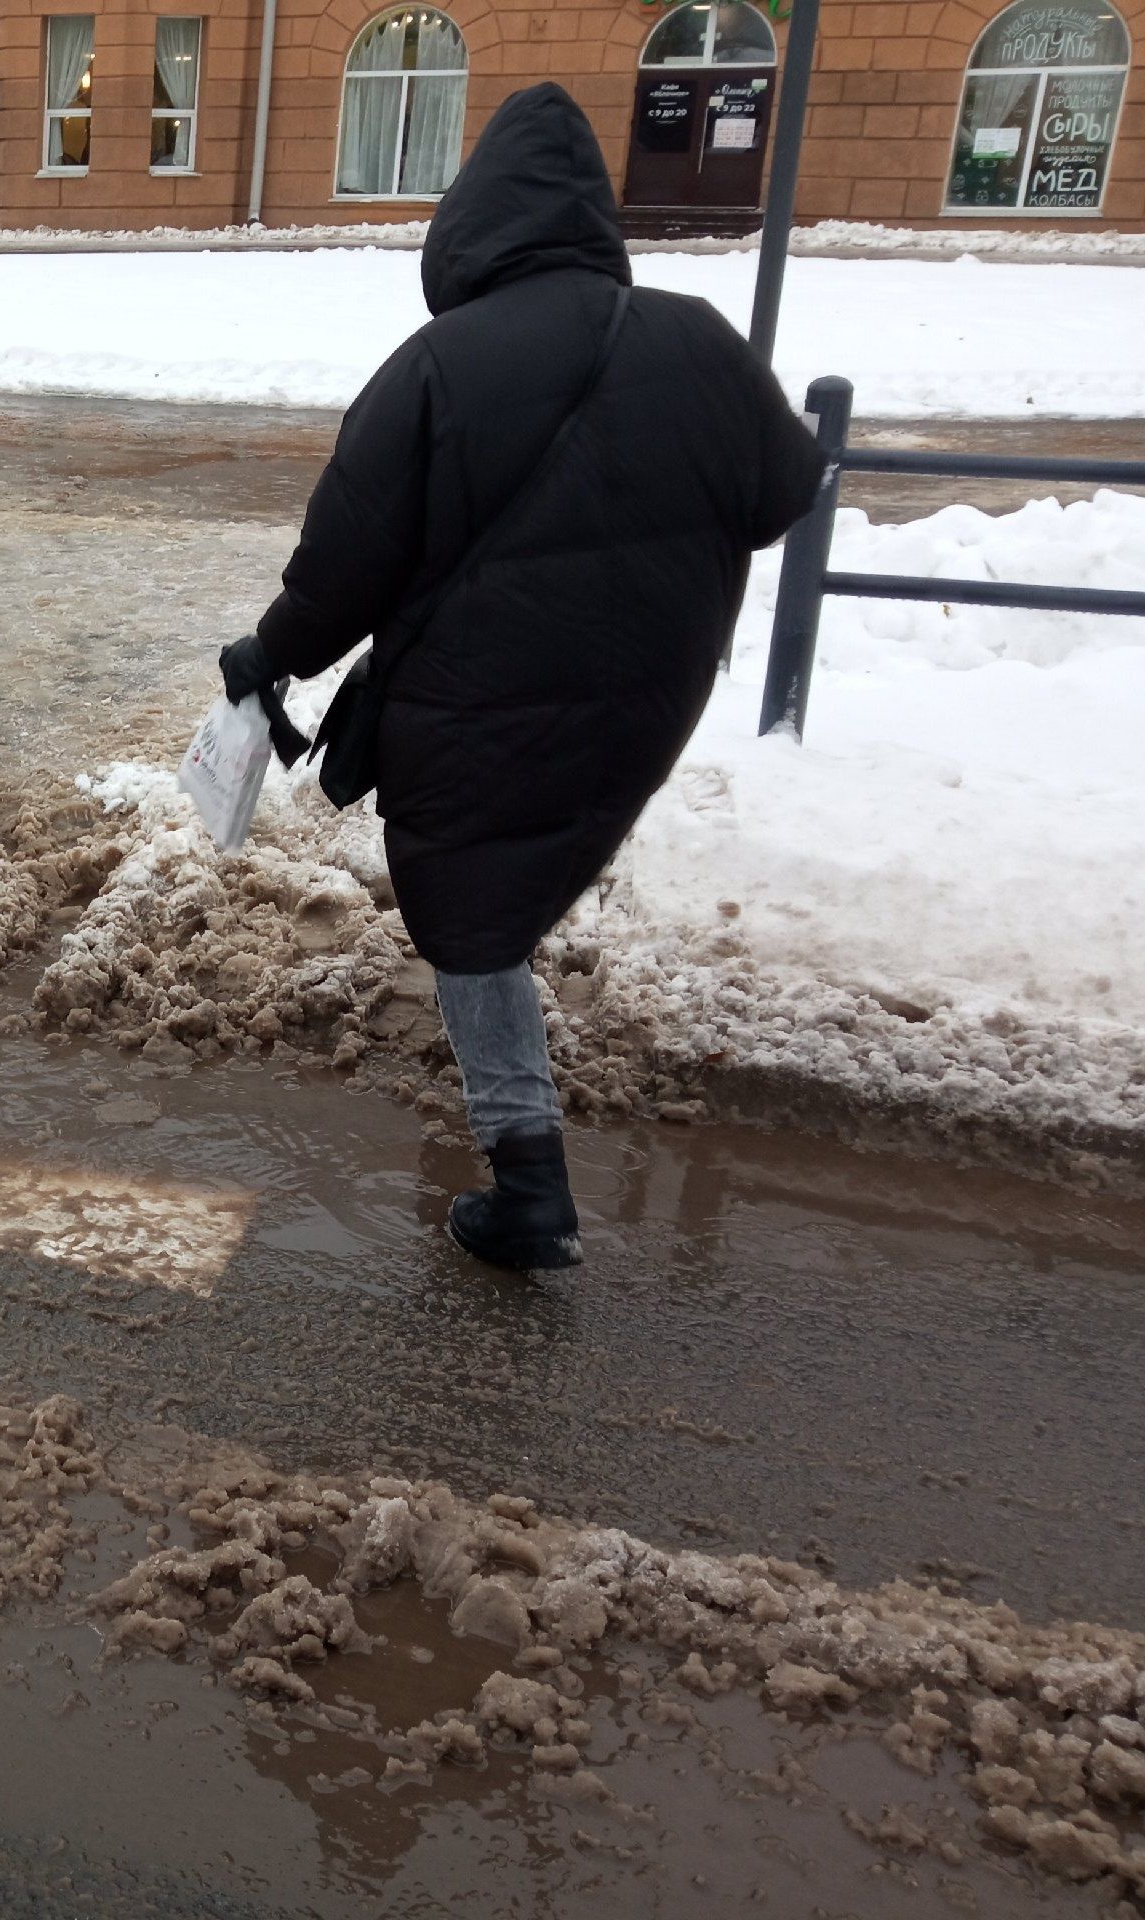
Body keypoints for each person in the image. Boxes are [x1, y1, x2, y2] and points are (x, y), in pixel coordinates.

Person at [215, 84, 822, 1272]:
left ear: (468, 224)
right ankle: (525, 1157)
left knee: (473, 905)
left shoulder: (435, 366)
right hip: (645, 684)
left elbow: (345, 564)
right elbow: (780, 492)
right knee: (503, 885)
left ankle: (529, 1177)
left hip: (478, 692)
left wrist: (266, 656)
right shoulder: (699, 337)